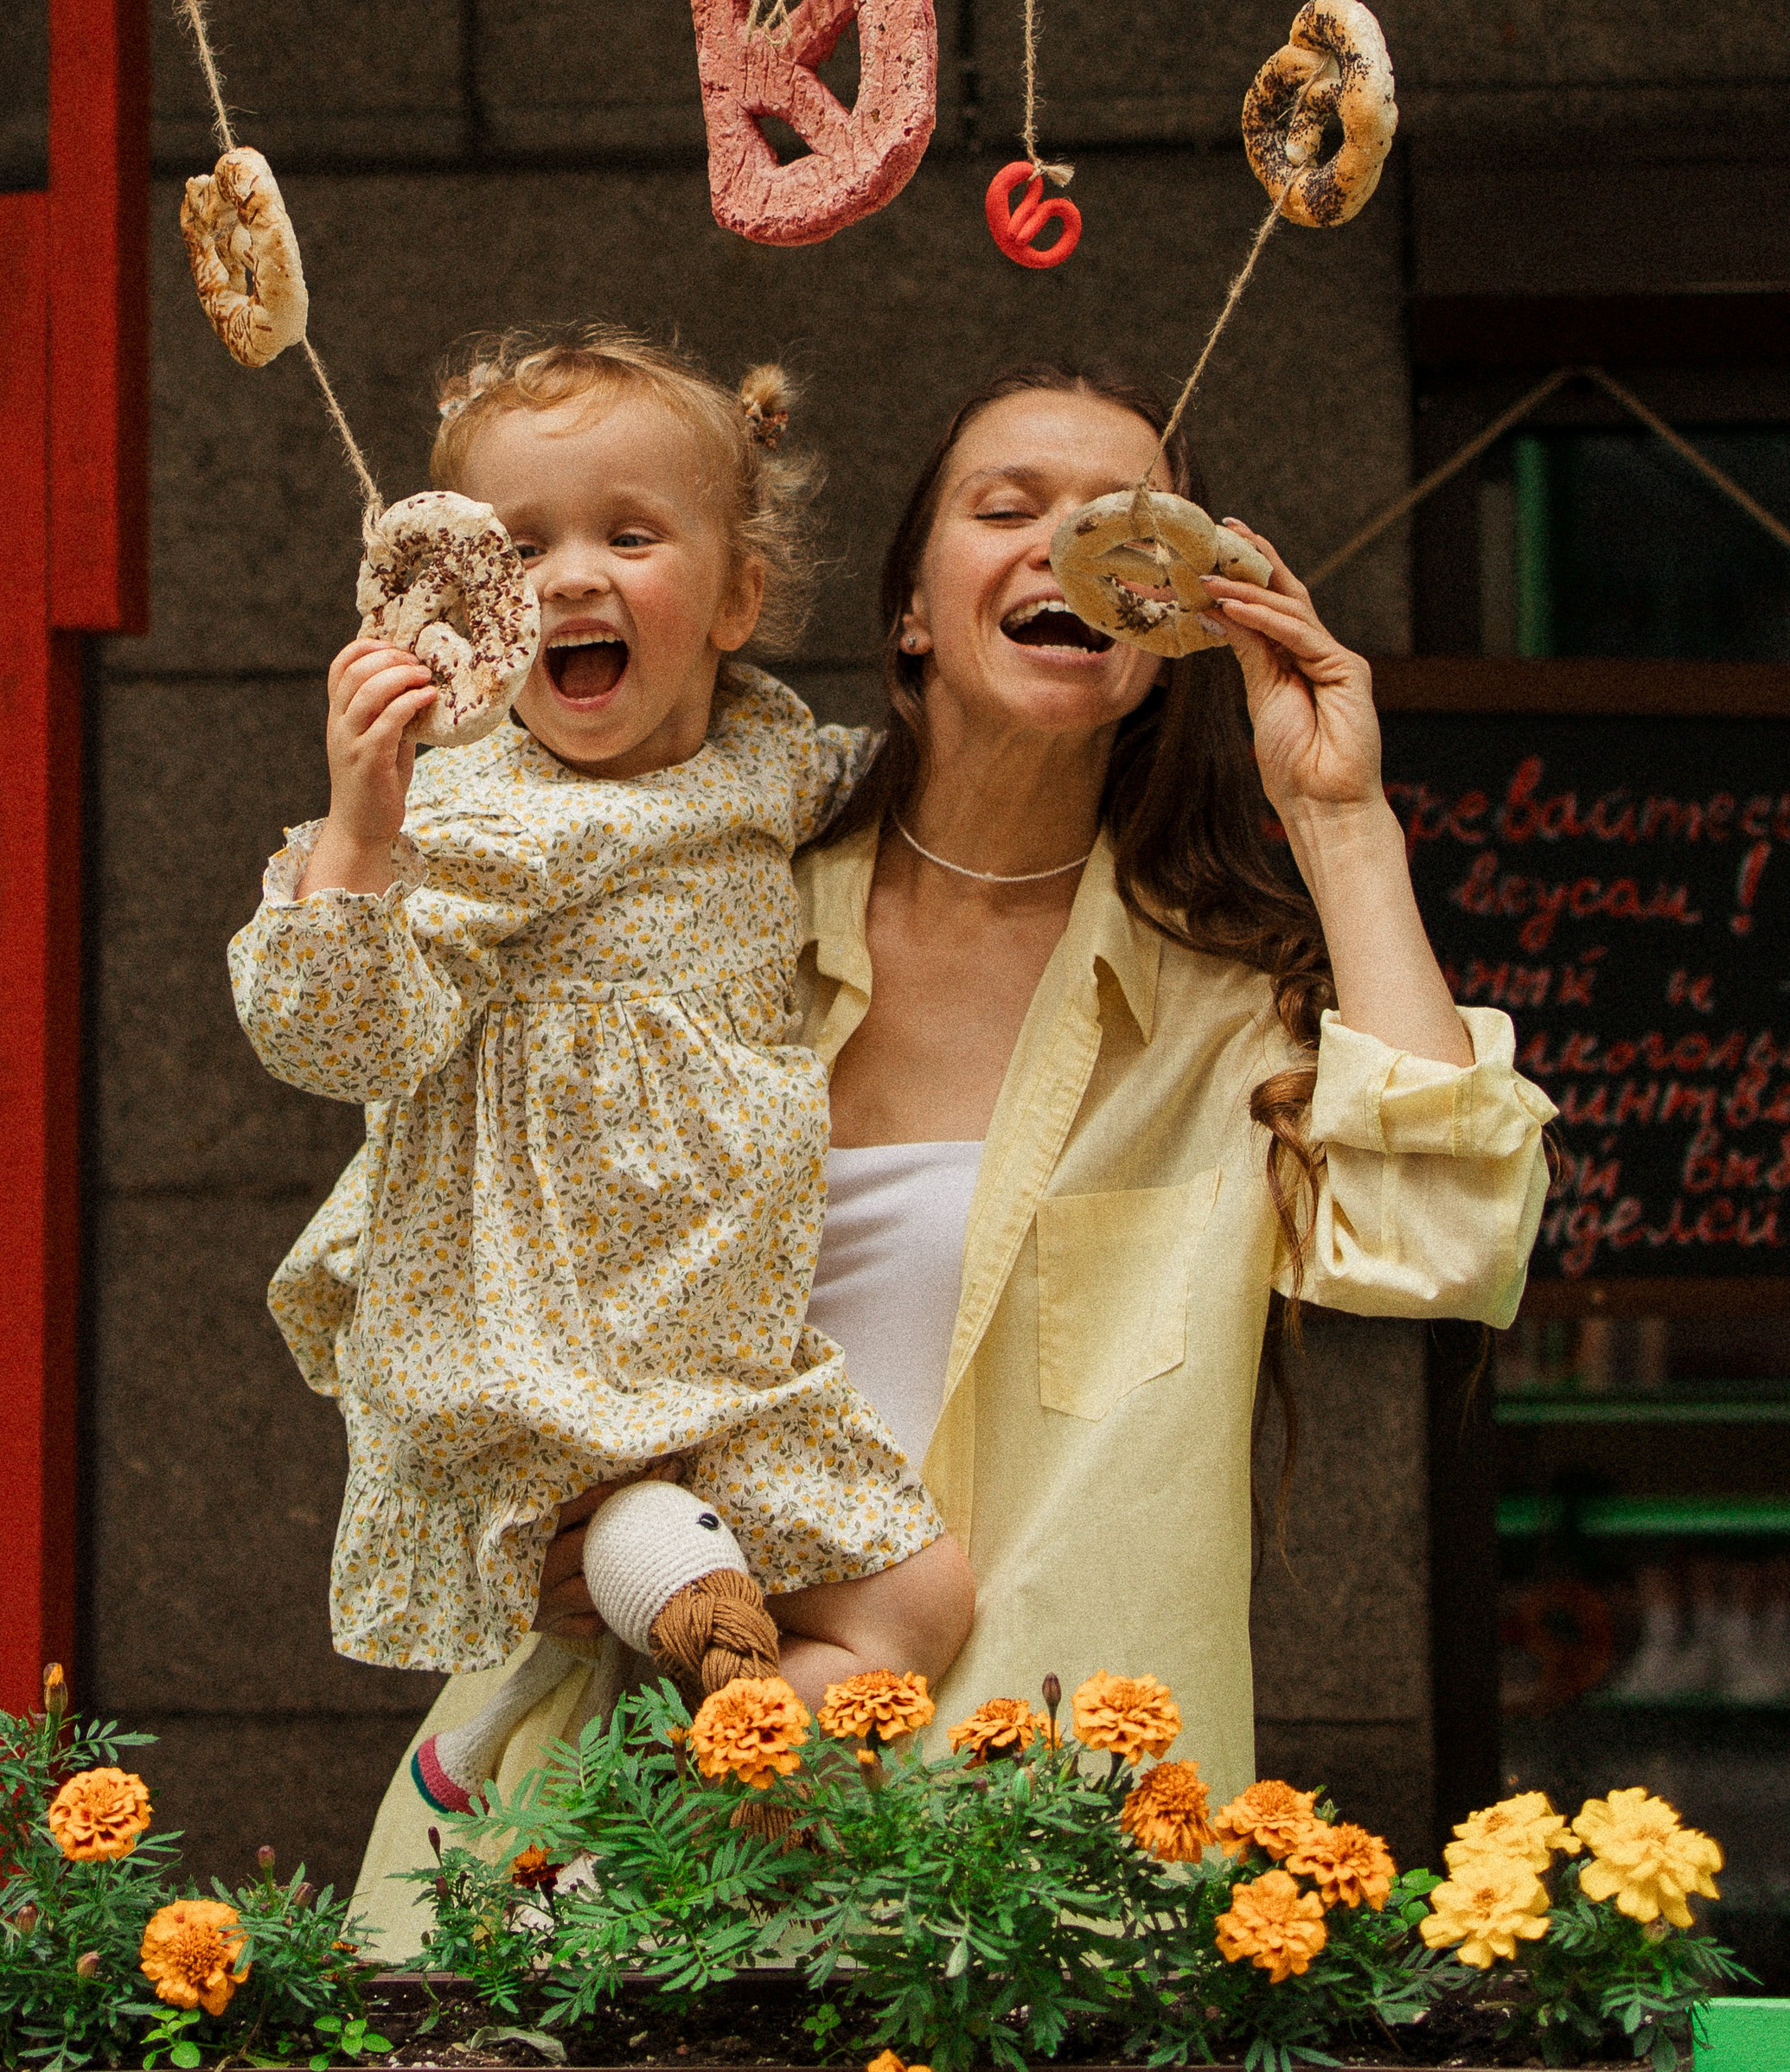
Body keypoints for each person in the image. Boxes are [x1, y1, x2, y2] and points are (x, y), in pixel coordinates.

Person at [350, 357, 1550, 1945]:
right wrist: (541, 1529)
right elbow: (443, 1249)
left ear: (1169, 621)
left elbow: (1445, 1245)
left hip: (1044, 1874)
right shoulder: (693, 917)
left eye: (1119, 522)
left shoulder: (1225, 1017)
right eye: (1009, 508)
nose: (1064, 546)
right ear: (912, 605)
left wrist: (1339, 818)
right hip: (638, 1818)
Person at [229, 329, 972, 1820]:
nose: (572, 576)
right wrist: (356, 835)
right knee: (666, 1559)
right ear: (460, 615)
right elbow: (334, 1042)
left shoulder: (780, 770)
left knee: (923, 1603)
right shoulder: (466, 815)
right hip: (533, 1312)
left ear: (737, 599)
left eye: (630, 537)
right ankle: (639, 1732)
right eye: (519, 547)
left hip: (721, 1328)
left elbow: (959, 802)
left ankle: (579, 1755)